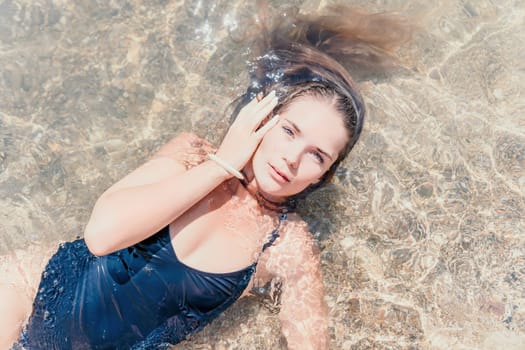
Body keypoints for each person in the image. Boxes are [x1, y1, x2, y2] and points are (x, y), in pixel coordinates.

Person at [1, 5, 410, 350]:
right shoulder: (193, 155)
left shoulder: (285, 245)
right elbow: (102, 235)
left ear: (324, 175)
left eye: (317, 155)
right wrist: (223, 165)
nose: (291, 158)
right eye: (289, 130)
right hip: (23, 293)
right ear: (262, 115)